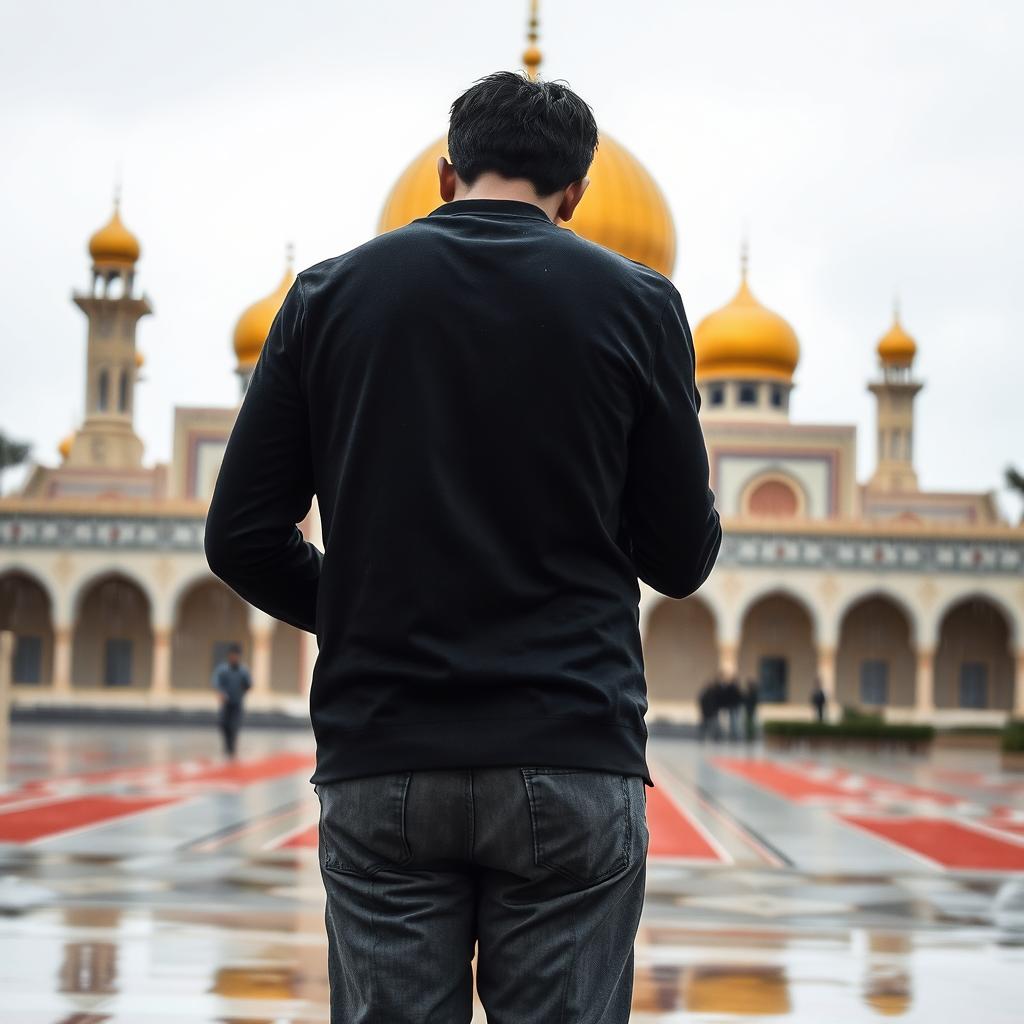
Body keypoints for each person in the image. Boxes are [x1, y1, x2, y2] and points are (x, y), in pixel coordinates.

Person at [204, 69, 722, 1024]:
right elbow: (681, 559)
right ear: (576, 193)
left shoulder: (327, 297)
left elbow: (238, 537)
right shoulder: (638, 305)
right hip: (570, 747)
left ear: (446, 177)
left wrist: (362, 614)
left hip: (386, 747)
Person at [211, 642, 251, 758]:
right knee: (224, 724)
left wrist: (242, 692)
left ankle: (232, 748)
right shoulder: (223, 669)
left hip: (237, 703)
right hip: (226, 703)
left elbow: (248, 684)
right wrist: (221, 693)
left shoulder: (243, 670)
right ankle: (227, 746)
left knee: (234, 725)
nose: (234, 657)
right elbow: (216, 682)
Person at [698, 676, 723, 743]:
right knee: (706, 726)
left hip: (712, 712)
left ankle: (716, 738)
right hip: (707, 712)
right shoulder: (705, 693)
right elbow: (702, 702)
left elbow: (717, 702)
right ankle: (703, 737)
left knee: (714, 726)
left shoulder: (713, 693)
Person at [722, 673, 743, 741]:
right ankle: (733, 735)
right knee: (733, 722)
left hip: (734, 706)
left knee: (734, 722)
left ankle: (734, 735)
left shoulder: (734, 688)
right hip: (733, 706)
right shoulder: (734, 688)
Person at [743, 677, 760, 742]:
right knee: (749, 723)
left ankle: (751, 736)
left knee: (750, 723)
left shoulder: (752, 692)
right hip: (749, 709)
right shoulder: (751, 692)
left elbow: (752, 701)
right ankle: (749, 735)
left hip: (750, 709)